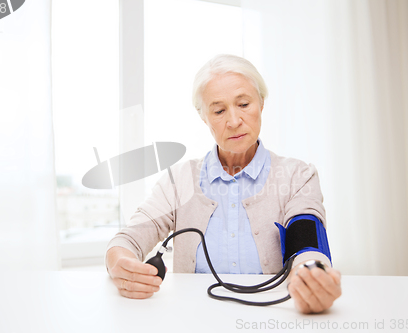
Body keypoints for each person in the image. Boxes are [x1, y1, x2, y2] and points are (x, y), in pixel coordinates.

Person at [106, 54, 342, 314]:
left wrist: (311, 276)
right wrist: (120, 262)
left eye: (243, 104)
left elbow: (307, 243)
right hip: (194, 318)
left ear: (261, 103)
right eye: (219, 111)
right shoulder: (180, 179)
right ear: (204, 117)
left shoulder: (298, 175)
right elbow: (129, 239)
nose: (233, 121)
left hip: (272, 318)